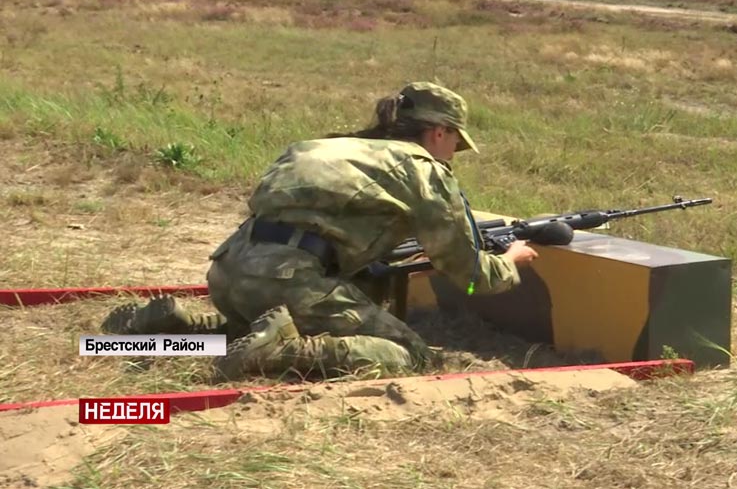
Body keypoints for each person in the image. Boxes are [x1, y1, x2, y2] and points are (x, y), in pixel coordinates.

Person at [102, 82, 538, 381]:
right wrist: (511, 261)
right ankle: (281, 353)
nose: (454, 155)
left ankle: (180, 326)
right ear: (438, 131)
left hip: (231, 269)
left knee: (254, 326)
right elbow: (467, 275)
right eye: (454, 143)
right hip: (292, 283)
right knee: (412, 355)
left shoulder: (325, 145)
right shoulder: (420, 168)